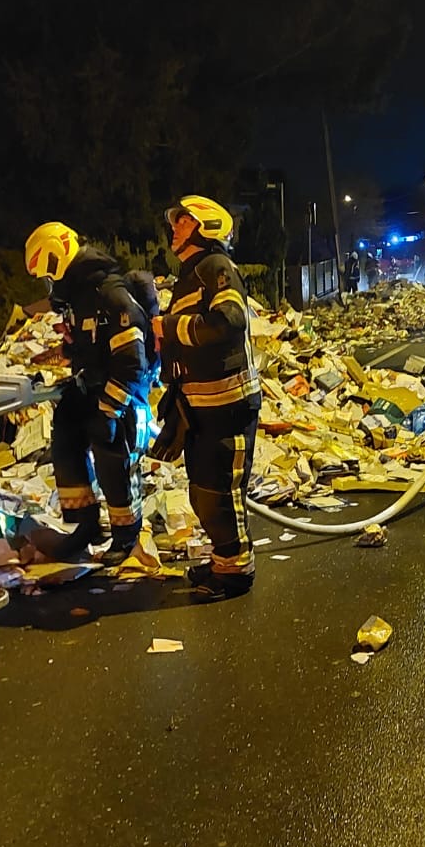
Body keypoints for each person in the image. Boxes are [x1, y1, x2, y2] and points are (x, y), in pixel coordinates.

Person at [25, 222, 154, 563]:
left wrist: (110, 409)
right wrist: (65, 353)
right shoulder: (79, 298)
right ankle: (85, 526)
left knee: (113, 459)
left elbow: (131, 360)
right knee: (66, 439)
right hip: (91, 384)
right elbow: (88, 345)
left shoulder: (109, 294)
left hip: (120, 393)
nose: (48, 285)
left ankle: (126, 535)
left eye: (47, 276)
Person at [154, 194, 260, 601]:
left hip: (228, 403)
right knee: (203, 490)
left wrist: (170, 326)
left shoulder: (217, 268)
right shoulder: (192, 273)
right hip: (203, 405)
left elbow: (229, 323)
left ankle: (236, 574)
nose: (175, 227)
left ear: (205, 227)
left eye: (183, 221)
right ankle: (222, 561)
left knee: (220, 492)